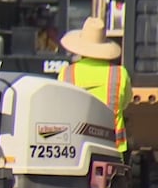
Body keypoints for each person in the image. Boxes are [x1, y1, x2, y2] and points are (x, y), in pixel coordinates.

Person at [57, 17, 132, 154]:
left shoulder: (66, 73)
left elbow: (61, 107)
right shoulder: (120, 74)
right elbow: (126, 103)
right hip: (113, 146)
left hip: (75, 145)